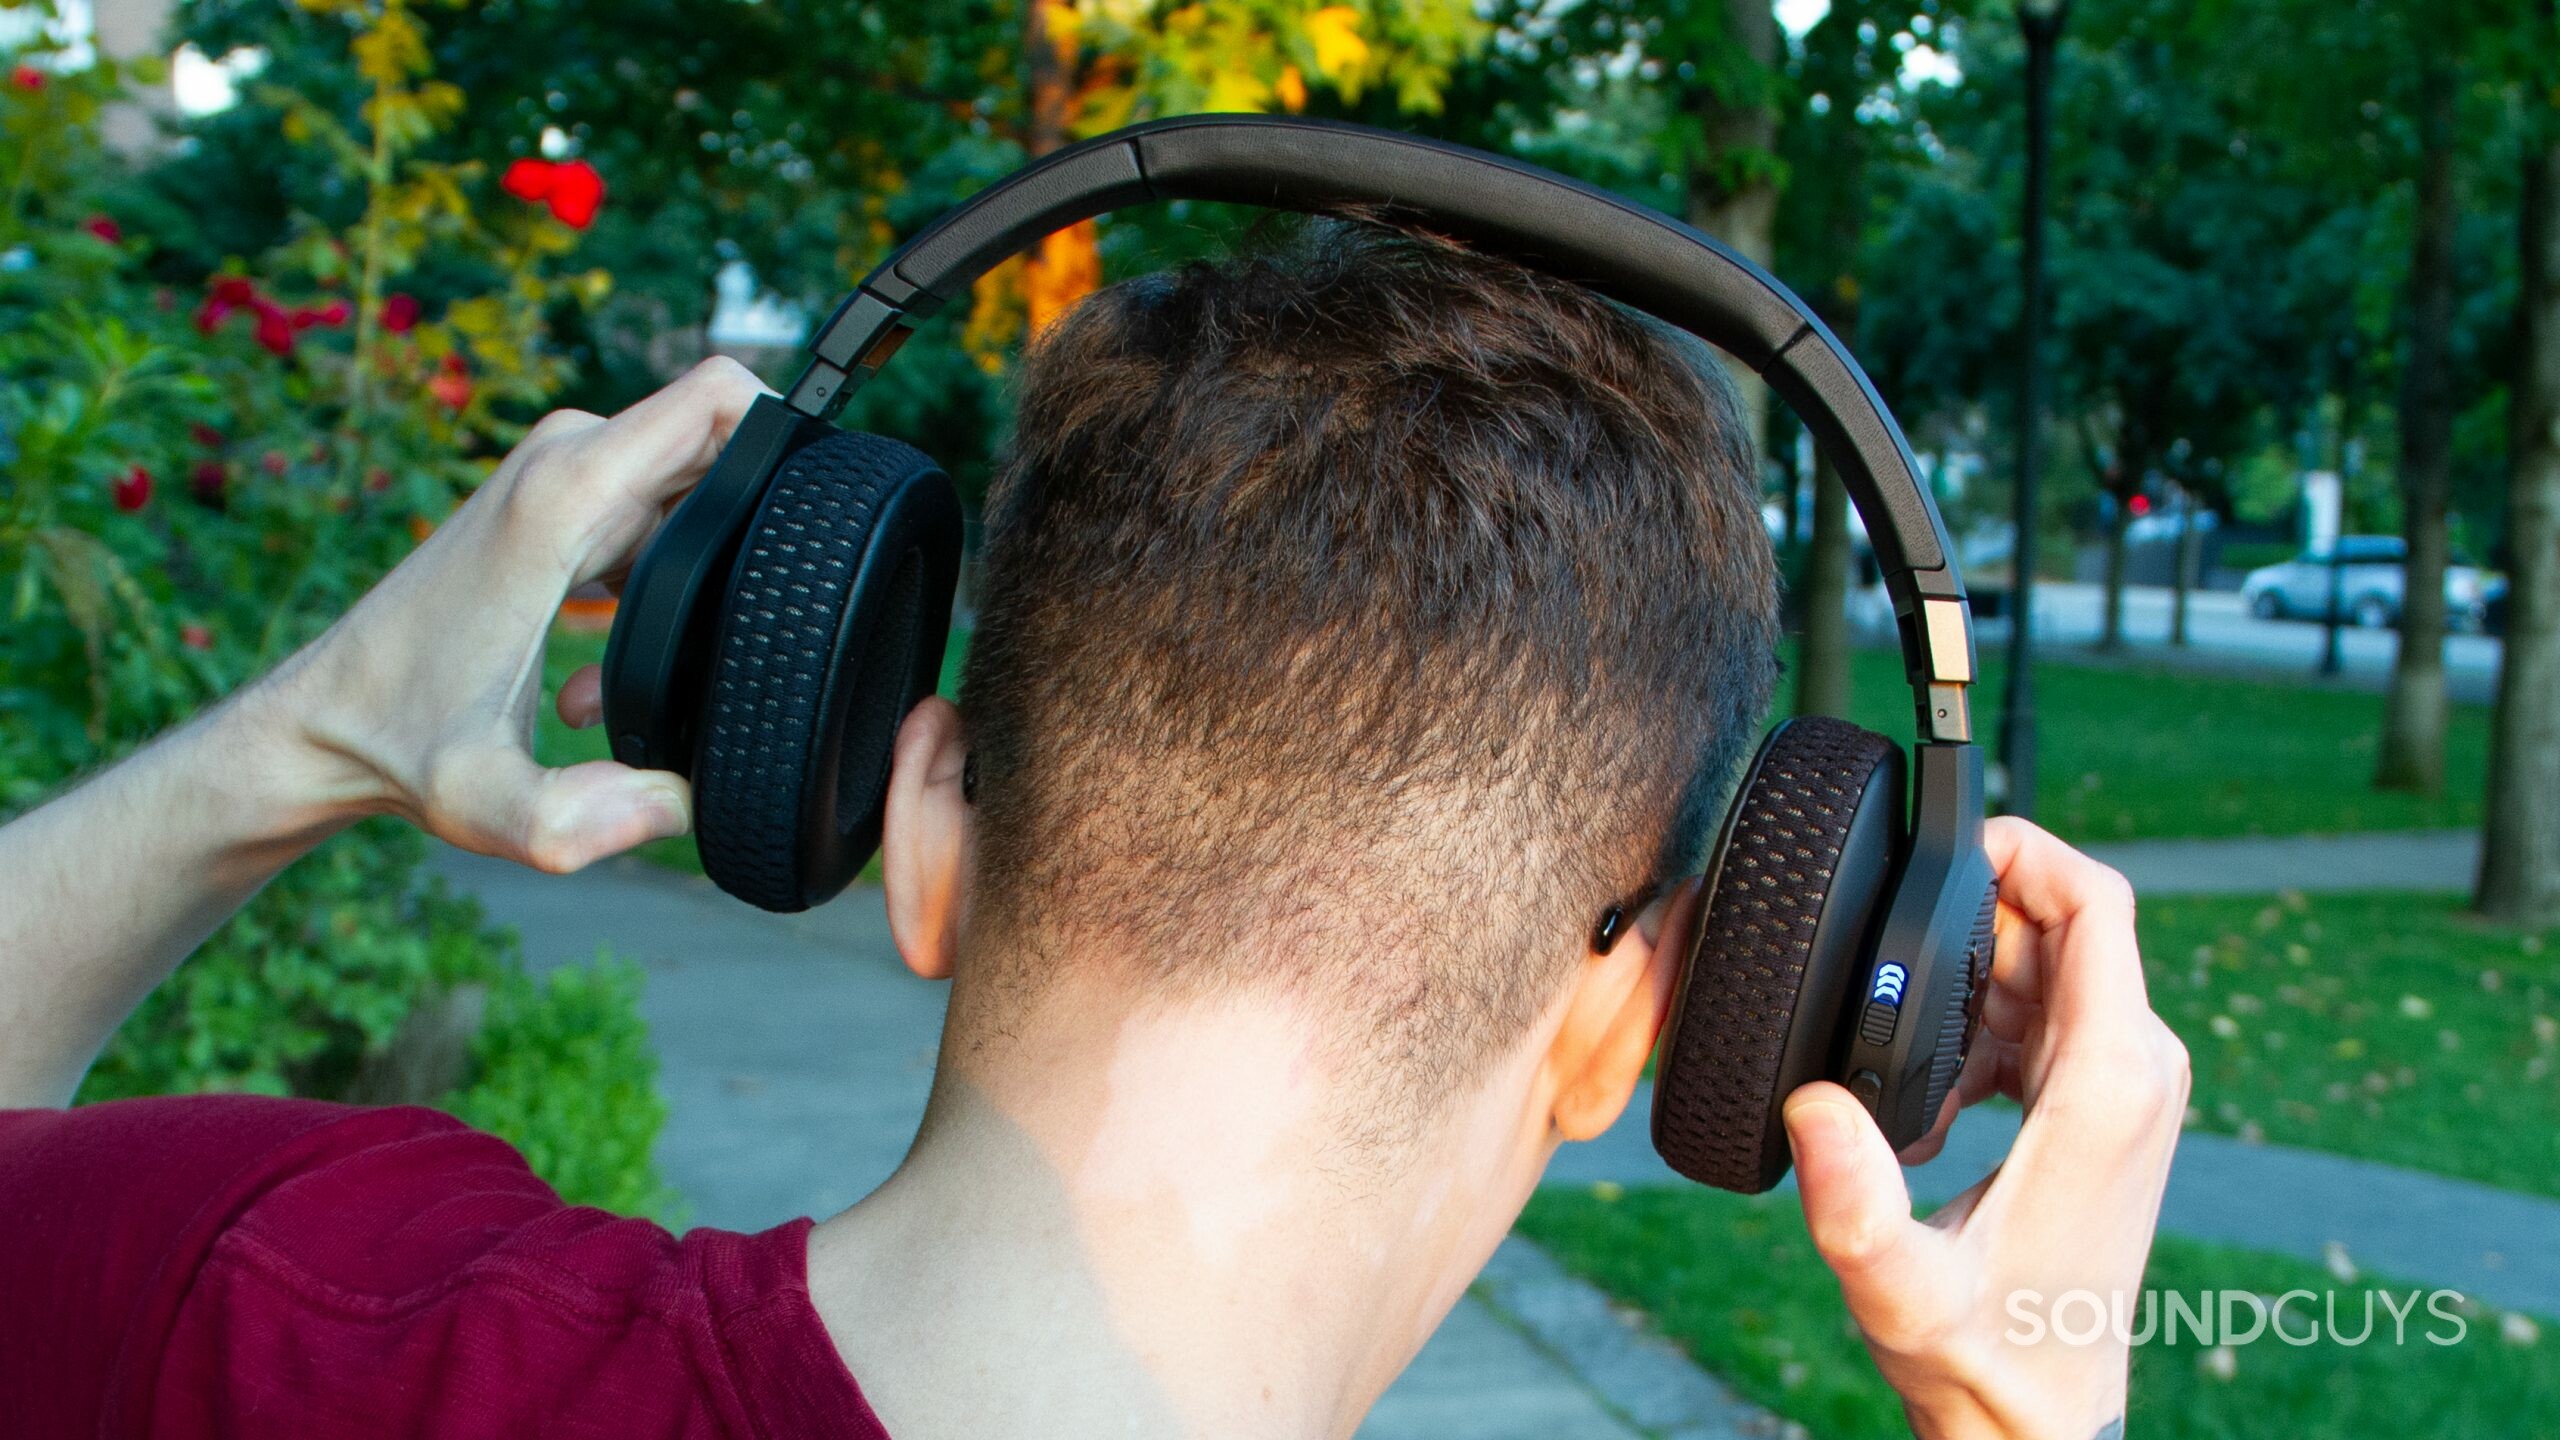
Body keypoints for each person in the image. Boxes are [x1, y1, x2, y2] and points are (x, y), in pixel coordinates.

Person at [0, 224, 2184, 1440]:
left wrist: (304, 736)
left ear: (918, 823)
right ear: (1647, 1033)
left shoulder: (276, 1296)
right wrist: (2025, 1430)